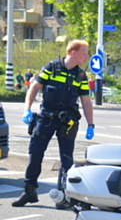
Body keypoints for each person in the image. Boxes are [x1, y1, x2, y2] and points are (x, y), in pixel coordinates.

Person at [12, 40, 96, 208]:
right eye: (84, 53)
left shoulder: (80, 76)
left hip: (68, 121)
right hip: (46, 118)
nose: (87, 57)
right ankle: (29, 191)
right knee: (35, 153)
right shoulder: (52, 67)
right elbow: (34, 88)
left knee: (66, 160)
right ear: (73, 52)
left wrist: (91, 125)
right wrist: (27, 109)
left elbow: (86, 102)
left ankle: (64, 196)